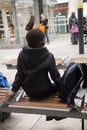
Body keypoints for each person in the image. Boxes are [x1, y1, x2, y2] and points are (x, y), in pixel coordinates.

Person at [7, 29, 61, 101]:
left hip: (29, 92)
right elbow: (55, 76)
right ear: (43, 41)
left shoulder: (22, 55)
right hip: (44, 91)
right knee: (56, 86)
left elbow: (19, 75)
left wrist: (14, 90)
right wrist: (62, 87)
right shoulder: (49, 56)